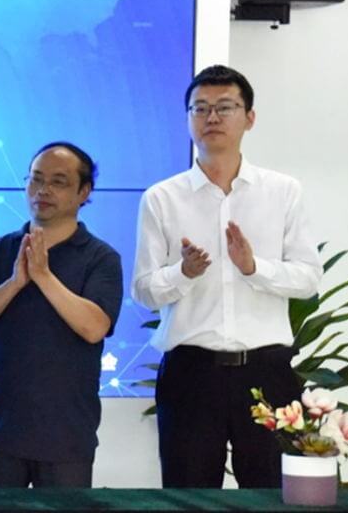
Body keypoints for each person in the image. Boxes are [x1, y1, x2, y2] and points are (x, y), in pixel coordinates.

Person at [133, 65, 320, 488]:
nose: (211, 117)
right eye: (199, 108)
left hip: (266, 371)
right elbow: (144, 290)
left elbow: (308, 278)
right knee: (189, 493)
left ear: (249, 118)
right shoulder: (161, 198)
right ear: (188, 119)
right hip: (191, 372)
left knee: (271, 492)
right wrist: (183, 273)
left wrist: (254, 268)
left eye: (224, 107)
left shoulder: (283, 191)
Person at [0, 142, 122, 488]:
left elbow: (94, 327)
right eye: (36, 179)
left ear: (84, 192)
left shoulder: (101, 258)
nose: (43, 190)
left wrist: (44, 276)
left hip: (66, 435)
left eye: (58, 182)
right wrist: (15, 283)